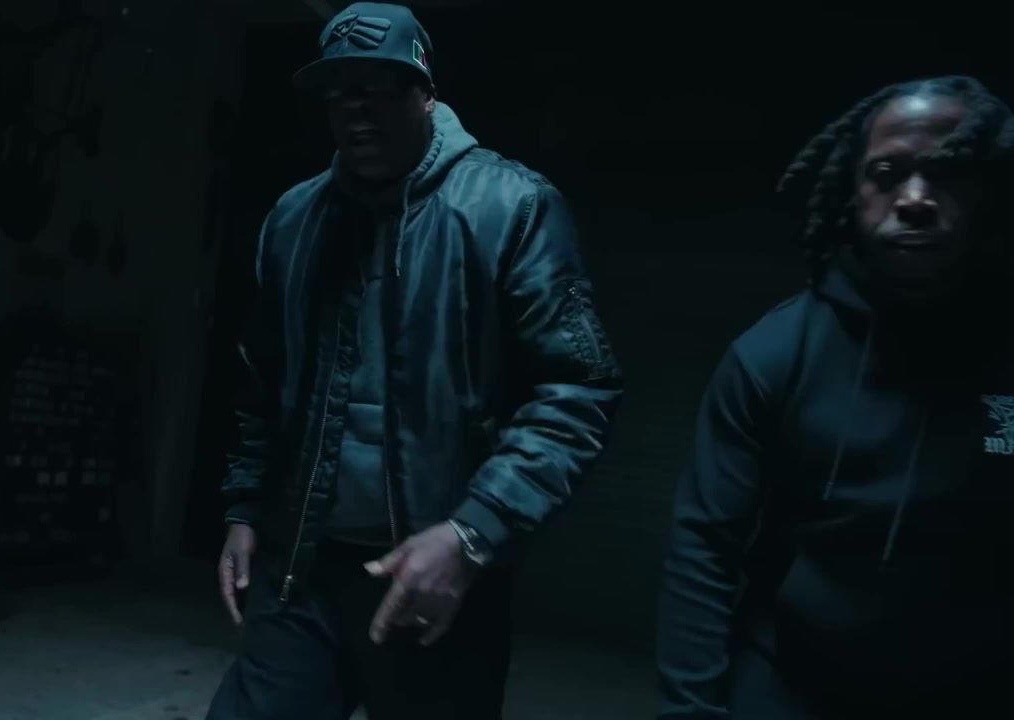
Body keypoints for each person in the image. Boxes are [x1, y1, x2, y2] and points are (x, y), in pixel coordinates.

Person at [205, 3, 623, 719]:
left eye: (378, 87)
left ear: (425, 92)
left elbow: (578, 391)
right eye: (338, 92)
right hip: (301, 569)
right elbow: (261, 384)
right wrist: (244, 509)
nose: (356, 110)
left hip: (439, 581)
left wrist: (472, 533)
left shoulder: (511, 208)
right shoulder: (294, 221)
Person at [656, 75, 1014, 719]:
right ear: (854, 190)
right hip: (793, 679)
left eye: (946, 172)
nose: (915, 197)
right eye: (888, 172)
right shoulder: (775, 354)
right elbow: (703, 546)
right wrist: (690, 712)